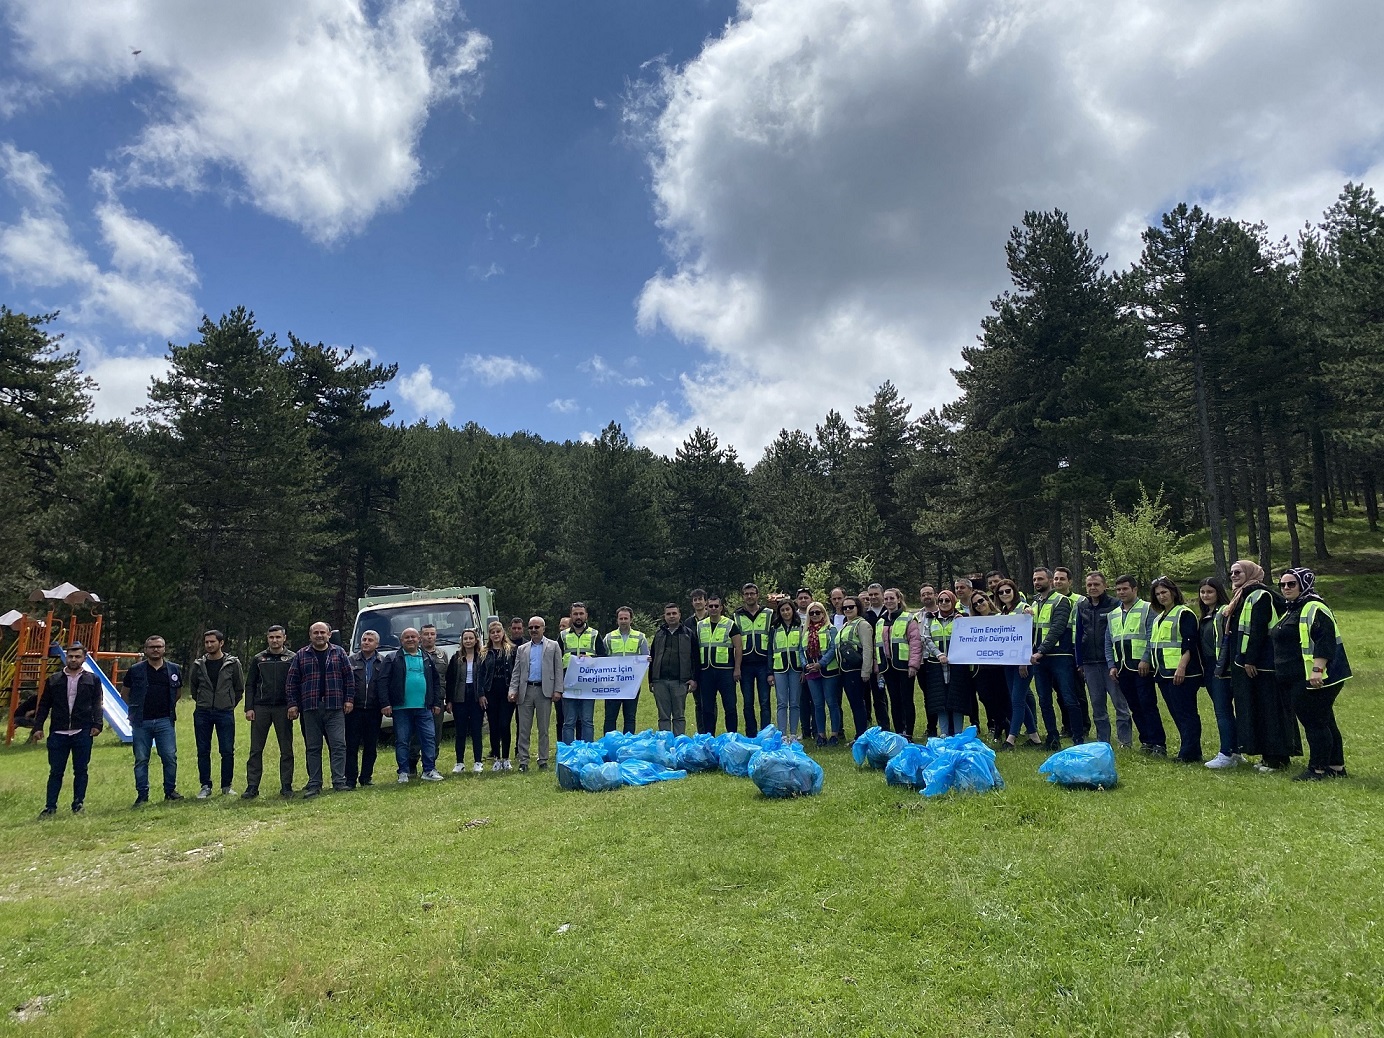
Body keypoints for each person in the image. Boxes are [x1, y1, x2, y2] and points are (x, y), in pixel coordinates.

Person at [1271, 567, 1351, 780]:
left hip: (1313, 677)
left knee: (1314, 722)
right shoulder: (1293, 608)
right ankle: (1336, 766)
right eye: (1282, 585)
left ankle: (1317, 769)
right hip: (1299, 676)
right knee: (1324, 720)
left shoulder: (1313, 606)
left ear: (1304, 584)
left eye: (1291, 584)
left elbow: (1325, 639)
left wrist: (1317, 669)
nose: (1286, 588)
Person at [1220, 560, 1297, 772]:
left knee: (1269, 711)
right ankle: (1266, 755)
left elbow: (1258, 630)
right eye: (1232, 572)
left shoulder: (1260, 595)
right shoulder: (1243, 595)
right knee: (1257, 711)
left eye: (1238, 572)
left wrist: (1250, 660)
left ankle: (1277, 758)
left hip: (1263, 666)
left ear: (1251, 573)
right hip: (1248, 665)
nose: (1234, 575)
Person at [285, 621, 357, 797]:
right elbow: (291, 682)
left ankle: (339, 781)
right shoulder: (301, 655)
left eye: (322, 632)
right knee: (313, 747)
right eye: (315, 633)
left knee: (339, 745)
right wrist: (293, 704)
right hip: (310, 708)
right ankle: (314, 783)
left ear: (329, 635)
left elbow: (349, 678)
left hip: (335, 707)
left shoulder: (339, 652)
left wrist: (349, 700)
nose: (319, 635)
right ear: (310, 636)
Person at [34, 643, 102, 818]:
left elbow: (97, 704)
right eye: (70, 656)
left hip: (82, 731)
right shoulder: (54, 680)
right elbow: (43, 705)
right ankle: (50, 807)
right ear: (66, 658)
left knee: (81, 770)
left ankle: (78, 804)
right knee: (56, 771)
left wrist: (97, 724)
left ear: (84, 659)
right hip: (58, 732)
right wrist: (38, 727)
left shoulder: (92, 679)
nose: (73, 659)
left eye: (77, 656)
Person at [1105, 574, 1167, 755]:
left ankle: (1158, 743)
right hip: (1122, 668)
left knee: (1147, 704)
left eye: (1125, 589)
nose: (1121, 592)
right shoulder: (1113, 614)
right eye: (1118, 590)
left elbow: (1151, 636)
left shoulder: (1148, 609)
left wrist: (1146, 659)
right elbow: (1108, 642)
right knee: (1134, 706)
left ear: (1134, 589)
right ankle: (1146, 740)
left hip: (1141, 668)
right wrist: (1111, 665)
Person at [1029, 567, 1089, 747]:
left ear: (1049, 580)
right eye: (1034, 580)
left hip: (1060, 656)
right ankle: (1052, 737)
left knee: (1069, 698)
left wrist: (1041, 650)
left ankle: (1078, 737)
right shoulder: (1033, 605)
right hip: (1039, 660)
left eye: (1040, 579)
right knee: (1044, 699)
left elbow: (1057, 628)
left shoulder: (1061, 601)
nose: (1037, 583)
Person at [122, 634, 183, 805]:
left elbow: (177, 693)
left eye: (159, 646)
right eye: (152, 647)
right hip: (141, 722)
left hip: (165, 720)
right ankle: (142, 795)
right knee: (141, 759)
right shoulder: (135, 670)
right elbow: (125, 694)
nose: (155, 650)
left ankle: (170, 791)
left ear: (164, 649)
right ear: (145, 650)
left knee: (169, 757)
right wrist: (136, 709)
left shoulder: (174, 669)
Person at [1149, 577, 1204, 763]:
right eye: (1157, 594)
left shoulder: (1184, 613)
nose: (1161, 596)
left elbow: (1189, 642)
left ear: (1173, 592)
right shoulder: (1158, 618)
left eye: (1164, 592)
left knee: (1186, 713)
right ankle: (1188, 749)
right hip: (1163, 673)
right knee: (1176, 713)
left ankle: (1190, 753)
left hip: (1182, 673)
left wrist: (1182, 667)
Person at [1076, 572, 1133, 747]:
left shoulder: (1115, 605)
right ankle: (1103, 742)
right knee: (1097, 705)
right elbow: (1078, 635)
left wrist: (1115, 663)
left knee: (1120, 704)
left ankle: (1125, 741)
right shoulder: (1082, 606)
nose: (1092, 588)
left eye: (1096, 585)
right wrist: (1079, 662)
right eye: (1089, 585)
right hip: (1089, 663)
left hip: (1111, 663)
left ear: (1104, 586)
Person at [382, 626, 444, 783]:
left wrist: (436, 702)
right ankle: (403, 772)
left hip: (424, 707)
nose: (410, 639)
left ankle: (429, 770)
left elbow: (436, 682)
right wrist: (385, 703)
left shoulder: (426, 658)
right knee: (403, 740)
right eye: (406, 637)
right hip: (401, 708)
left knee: (429, 738)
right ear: (401, 641)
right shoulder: (392, 658)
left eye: (413, 637)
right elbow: (382, 682)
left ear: (419, 640)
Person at [189, 629, 244, 799]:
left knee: (227, 750)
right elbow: (193, 688)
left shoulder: (233, 663)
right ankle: (205, 785)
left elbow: (239, 688)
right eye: (206, 642)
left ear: (221, 643)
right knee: (203, 750)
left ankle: (226, 786)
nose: (209, 645)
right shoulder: (199, 664)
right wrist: (203, 702)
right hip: (203, 712)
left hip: (225, 712)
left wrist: (227, 704)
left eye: (212, 642)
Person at [244, 624, 295, 799]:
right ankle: (252, 786)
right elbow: (250, 684)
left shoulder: (292, 658)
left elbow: (296, 683)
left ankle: (286, 785)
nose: (275, 640)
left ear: (284, 638)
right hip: (261, 708)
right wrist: (249, 708)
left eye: (278, 637)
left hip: (283, 708)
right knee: (256, 749)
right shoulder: (259, 659)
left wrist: (293, 705)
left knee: (286, 749)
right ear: (267, 639)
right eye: (271, 637)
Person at [509, 616, 563, 771]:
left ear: (543, 629)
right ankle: (523, 760)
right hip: (525, 691)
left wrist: (558, 689)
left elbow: (558, 670)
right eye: (531, 627)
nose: (533, 630)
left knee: (543, 728)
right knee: (524, 729)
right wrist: (513, 690)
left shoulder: (553, 646)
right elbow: (516, 672)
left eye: (536, 627)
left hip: (544, 691)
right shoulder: (522, 649)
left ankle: (543, 759)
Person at [1198, 578, 1240, 769]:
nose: (1206, 595)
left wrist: (1222, 666)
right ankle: (1235, 750)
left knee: (1222, 710)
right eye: (1203, 592)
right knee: (1224, 710)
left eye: (1210, 592)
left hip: (1221, 668)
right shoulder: (1205, 615)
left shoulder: (1224, 612)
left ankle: (1226, 753)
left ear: (1218, 593)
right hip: (1208, 667)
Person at [996, 580, 1041, 750]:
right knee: (1018, 699)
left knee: (1017, 700)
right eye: (1001, 592)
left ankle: (1011, 739)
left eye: (1008, 591)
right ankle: (1034, 737)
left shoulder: (1024, 608)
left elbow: (1028, 636)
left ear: (1014, 591)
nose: (1005, 594)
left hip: (1024, 662)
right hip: (1008, 663)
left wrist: (1023, 661)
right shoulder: (1002, 613)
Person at [921, 591, 974, 736]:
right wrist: (939, 654)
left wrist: (962, 622)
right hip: (936, 665)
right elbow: (926, 638)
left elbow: (969, 638)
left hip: (957, 665)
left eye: (947, 600)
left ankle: (958, 733)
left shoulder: (962, 617)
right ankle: (944, 733)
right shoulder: (930, 618)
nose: (944, 603)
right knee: (940, 700)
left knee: (957, 699)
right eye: (941, 601)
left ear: (953, 601)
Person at [875, 588, 924, 740]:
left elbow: (916, 643)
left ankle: (908, 732)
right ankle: (898, 732)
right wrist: (878, 667)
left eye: (891, 598)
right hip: (887, 667)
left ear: (898, 599)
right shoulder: (881, 621)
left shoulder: (908, 618)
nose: (889, 601)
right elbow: (877, 644)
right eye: (886, 599)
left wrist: (913, 665)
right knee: (894, 700)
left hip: (904, 666)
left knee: (906, 700)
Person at [696, 593, 742, 735]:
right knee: (707, 708)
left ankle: (731, 736)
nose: (714, 608)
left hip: (726, 671)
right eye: (711, 606)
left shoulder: (730, 624)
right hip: (706, 671)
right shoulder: (700, 625)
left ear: (721, 608)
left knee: (730, 707)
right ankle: (709, 737)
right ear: (706, 607)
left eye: (716, 606)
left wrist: (737, 669)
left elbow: (738, 647)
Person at [557, 602, 603, 743]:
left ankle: (588, 752)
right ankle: (569, 753)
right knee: (569, 721)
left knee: (587, 721)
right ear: (571, 616)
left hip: (588, 685)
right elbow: (556, 660)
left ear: (586, 616)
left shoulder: (594, 634)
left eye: (581, 614)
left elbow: (604, 658)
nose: (578, 616)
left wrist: (592, 659)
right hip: (568, 685)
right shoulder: (563, 636)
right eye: (575, 614)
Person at [346, 629, 386, 789]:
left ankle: (366, 777)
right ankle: (350, 779)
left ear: (377, 644)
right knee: (351, 745)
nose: (366, 642)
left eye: (370, 640)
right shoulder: (350, 661)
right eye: (364, 639)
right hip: (354, 710)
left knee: (371, 746)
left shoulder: (383, 662)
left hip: (374, 710)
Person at [968, 592, 1012, 739]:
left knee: (1002, 697)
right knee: (985, 697)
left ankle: (1005, 728)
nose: (979, 605)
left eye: (981, 601)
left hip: (1000, 667)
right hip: (982, 668)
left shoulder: (1000, 618)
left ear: (987, 600)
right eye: (975, 604)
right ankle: (1001, 721)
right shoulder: (972, 622)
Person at [650, 603, 697, 735]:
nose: (671, 616)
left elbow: (695, 658)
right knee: (663, 717)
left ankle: (679, 744)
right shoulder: (659, 634)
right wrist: (651, 680)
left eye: (674, 613)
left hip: (680, 681)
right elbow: (652, 657)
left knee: (679, 717)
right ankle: (665, 743)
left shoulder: (688, 634)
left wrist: (693, 679)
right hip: (660, 681)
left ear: (679, 615)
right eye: (668, 614)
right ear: (664, 616)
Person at [735, 583, 773, 737]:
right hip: (745, 664)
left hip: (763, 663)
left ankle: (765, 733)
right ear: (743, 596)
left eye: (752, 593)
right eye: (746, 594)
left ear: (758, 595)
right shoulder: (737, 615)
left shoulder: (769, 613)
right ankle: (750, 734)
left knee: (765, 701)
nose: (749, 596)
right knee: (748, 702)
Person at [445, 629, 486, 773]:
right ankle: (459, 762)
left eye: (471, 638)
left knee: (476, 731)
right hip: (459, 698)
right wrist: (449, 700)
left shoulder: (482, 657)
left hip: (476, 697)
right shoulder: (456, 658)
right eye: (465, 638)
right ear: (462, 641)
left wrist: (483, 695)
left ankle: (478, 762)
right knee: (460, 731)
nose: (468, 641)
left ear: (476, 640)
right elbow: (450, 680)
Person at [603, 607, 649, 735]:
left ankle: (628, 745)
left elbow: (646, 657)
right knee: (610, 717)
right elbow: (602, 659)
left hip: (631, 684)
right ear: (617, 620)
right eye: (621, 618)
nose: (623, 621)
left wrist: (647, 660)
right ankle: (610, 743)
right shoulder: (609, 637)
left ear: (631, 620)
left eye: (626, 618)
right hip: (613, 684)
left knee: (630, 717)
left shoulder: (640, 637)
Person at [803, 601, 842, 746]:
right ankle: (820, 735)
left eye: (817, 612)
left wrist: (821, 663)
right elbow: (801, 650)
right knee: (818, 704)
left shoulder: (831, 629)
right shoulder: (805, 631)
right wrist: (805, 665)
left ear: (823, 613)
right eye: (811, 613)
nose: (814, 615)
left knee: (832, 703)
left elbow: (833, 649)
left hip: (828, 671)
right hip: (811, 671)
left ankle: (834, 734)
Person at [836, 596, 874, 739]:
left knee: (858, 704)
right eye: (844, 608)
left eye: (851, 607)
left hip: (856, 670)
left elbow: (868, 648)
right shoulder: (846, 625)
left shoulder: (862, 624)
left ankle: (861, 735)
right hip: (845, 670)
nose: (848, 610)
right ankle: (859, 734)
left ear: (858, 607)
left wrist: (866, 670)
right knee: (853, 703)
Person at [479, 620, 515, 770]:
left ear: (503, 633)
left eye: (498, 632)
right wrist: (481, 694)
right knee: (493, 726)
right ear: (489, 635)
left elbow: (516, 672)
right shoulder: (484, 652)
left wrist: (515, 690)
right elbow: (480, 675)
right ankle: (496, 758)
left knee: (504, 725)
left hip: (507, 693)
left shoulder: (511, 650)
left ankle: (506, 758)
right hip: (490, 693)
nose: (495, 635)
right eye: (492, 632)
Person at [768, 598, 804, 740]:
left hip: (796, 668)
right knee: (782, 702)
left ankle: (793, 733)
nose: (785, 612)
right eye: (782, 610)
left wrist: (804, 670)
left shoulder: (800, 626)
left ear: (793, 610)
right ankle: (782, 734)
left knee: (795, 702)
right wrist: (770, 672)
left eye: (788, 609)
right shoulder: (774, 629)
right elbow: (770, 651)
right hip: (779, 668)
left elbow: (803, 649)